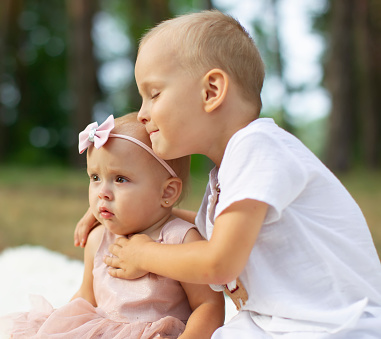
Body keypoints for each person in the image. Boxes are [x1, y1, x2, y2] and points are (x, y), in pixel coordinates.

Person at [74, 10, 381, 338]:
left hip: (335, 322)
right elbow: (223, 232)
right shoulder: (227, 173)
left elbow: (219, 261)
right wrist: (128, 211)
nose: (144, 113)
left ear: (211, 91)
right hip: (273, 322)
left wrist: (144, 253)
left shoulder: (258, 147)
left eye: (154, 94)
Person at [0, 113, 225, 338]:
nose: (102, 193)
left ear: (167, 192)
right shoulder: (98, 239)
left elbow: (208, 305)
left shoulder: (181, 240)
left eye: (120, 179)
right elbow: (87, 296)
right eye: (95, 178)